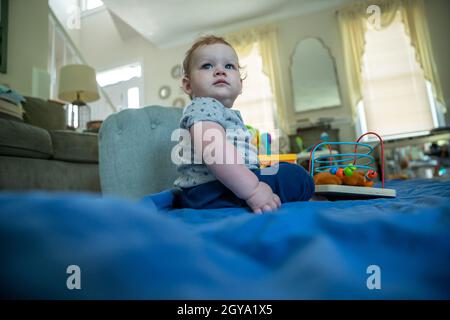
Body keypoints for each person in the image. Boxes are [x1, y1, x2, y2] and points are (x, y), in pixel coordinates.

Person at [173, 35, 314, 213]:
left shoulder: (221, 112)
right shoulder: (203, 105)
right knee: (296, 176)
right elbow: (215, 151)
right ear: (188, 85)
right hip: (211, 191)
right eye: (207, 65)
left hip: (225, 187)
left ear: (240, 85)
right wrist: (254, 191)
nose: (219, 71)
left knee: (280, 171)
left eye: (229, 66)